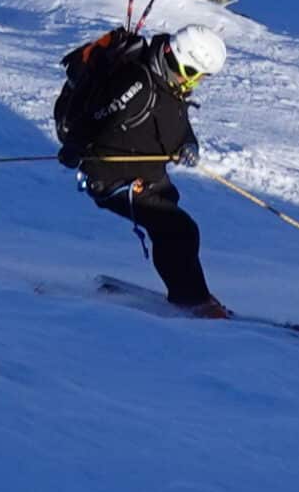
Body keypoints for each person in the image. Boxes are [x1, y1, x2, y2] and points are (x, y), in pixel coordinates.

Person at [54, 25, 229, 317]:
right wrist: (75, 147)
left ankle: (191, 294)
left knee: (178, 230)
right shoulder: (137, 84)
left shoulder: (168, 81)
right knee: (177, 230)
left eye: (201, 77)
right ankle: (191, 300)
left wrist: (188, 144)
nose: (194, 83)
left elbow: (176, 122)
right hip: (114, 179)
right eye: (193, 74)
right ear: (177, 60)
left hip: (147, 176)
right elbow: (94, 118)